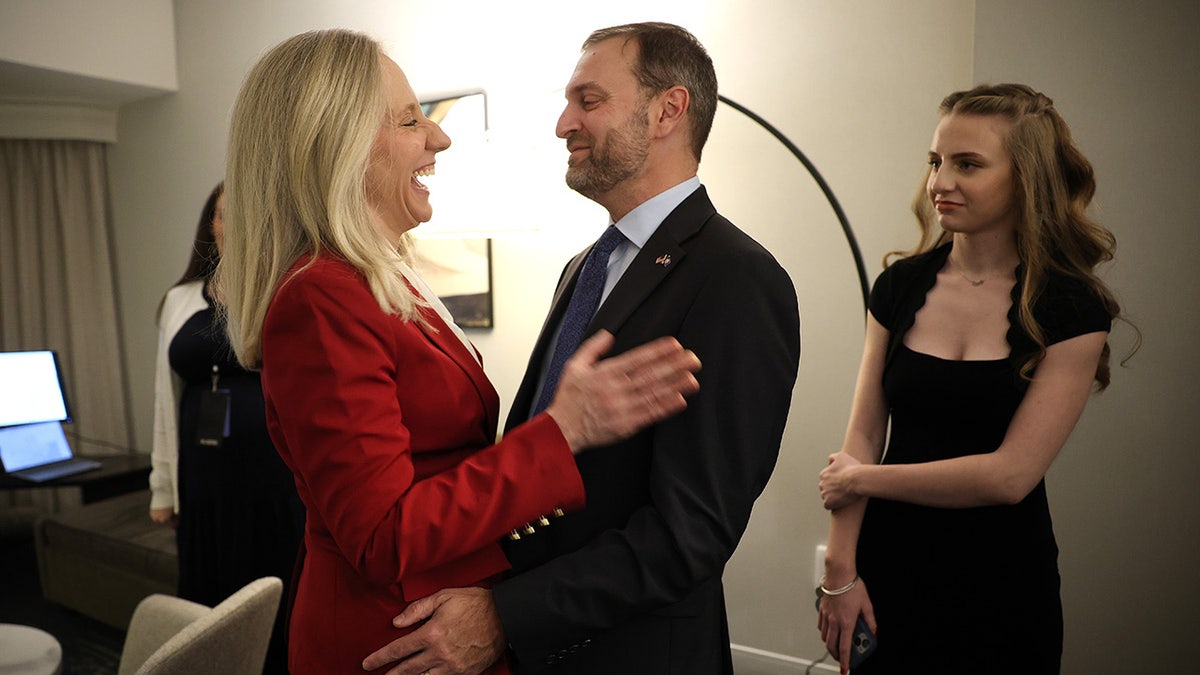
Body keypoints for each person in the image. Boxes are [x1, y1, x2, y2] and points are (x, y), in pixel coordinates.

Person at [218, 29, 702, 675]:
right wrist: (564, 431)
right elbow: (384, 533)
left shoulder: (384, 278)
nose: (438, 138)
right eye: (411, 119)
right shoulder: (321, 297)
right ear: (339, 146)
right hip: (391, 638)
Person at [364, 22, 801, 675]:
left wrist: (507, 614)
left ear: (667, 110)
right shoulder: (584, 267)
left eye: (588, 100)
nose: (564, 123)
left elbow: (690, 533)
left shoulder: (737, 277)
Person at [814, 83, 1132, 674]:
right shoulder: (899, 287)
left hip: (1003, 587)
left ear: (1025, 179)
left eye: (968, 165)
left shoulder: (1071, 309)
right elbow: (860, 439)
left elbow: (1008, 477)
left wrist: (864, 481)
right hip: (888, 573)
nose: (939, 182)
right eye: (936, 161)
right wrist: (840, 572)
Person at [149, 182, 304, 674]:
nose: (232, 225)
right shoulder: (178, 299)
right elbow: (163, 397)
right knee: (208, 583)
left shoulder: (289, 286)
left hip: (274, 471)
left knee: (276, 580)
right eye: (222, 214)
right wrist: (162, 487)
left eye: (246, 213)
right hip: (202, 473)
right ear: (209, 225)